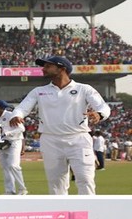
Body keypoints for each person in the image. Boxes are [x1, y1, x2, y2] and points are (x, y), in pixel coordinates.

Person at [9, 56, 110, 194]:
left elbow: (103, 107)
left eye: (48, 66)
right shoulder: (39, 91)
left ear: (62, 69)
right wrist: (17, 115)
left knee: (85, 180)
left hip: (78, 139)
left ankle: (88, 214)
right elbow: (22, 107)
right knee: (56, 184)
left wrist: (99, 114)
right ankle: (61, 215)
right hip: (50, 140)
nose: (43, 69)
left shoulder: (84, 89)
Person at [0, 100, 28, 195]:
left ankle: (22, 189)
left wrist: (7, 133)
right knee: (5, 167)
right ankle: (10, 191)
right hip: (2, 144)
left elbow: (21, 129)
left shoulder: (11, 115)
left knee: (13, 165)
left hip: (14, 141)